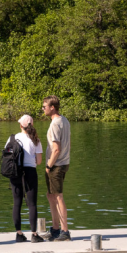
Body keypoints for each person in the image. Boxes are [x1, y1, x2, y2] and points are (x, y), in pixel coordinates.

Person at [7, 114, 43, 243]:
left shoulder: (13, 138)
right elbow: (39, 161)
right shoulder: (36, 140)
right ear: (32, 125)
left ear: (20, 125)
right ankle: (34, 234)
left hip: (15, 172)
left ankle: (19, 234)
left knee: (17, 203)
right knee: (32, 203)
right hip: (30, 172)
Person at [42, 95, 72, 241]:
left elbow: (56, 149)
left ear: (52, 107)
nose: (43, 109)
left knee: (58, 196)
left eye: (44, 106)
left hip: (56, 164)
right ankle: (55, 229)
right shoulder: (64, 120)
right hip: (64, 163)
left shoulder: (55, 124)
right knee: (51, 195)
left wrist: (48, 165)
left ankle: (65, 232)